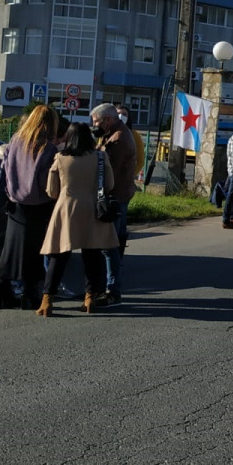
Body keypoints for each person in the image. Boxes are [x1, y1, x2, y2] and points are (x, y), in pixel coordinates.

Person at [36, 123, 120, 316]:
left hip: (67, 208)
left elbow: (52, 191)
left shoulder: (61, 158)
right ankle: (90, 297)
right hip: (93, 209)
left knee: (58, 255)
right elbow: (109, 184)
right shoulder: (100, 156)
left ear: (69, 138)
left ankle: (47, 300)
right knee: (92, 256)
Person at [0, 105, 59, 309]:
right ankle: (30, 293)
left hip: (15, 203)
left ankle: (3, 290)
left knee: (11, 249)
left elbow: (6, 168)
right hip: (40, 204)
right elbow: (45, 181)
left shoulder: (15, 141)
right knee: (35, 251)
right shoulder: (48, 148)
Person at [91, 102, 136, 306]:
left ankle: (112, 289)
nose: (95, 125)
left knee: (110, 246)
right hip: (117, 195)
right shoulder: (113, 133)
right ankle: (109, 286)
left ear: (107, 120)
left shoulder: (117, 139)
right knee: (111, 245)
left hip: (115, 197)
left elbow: (107, 168)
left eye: (97, 122)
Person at [115, 104, 146, 184]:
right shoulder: (106, 133)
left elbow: (141, 160)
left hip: (124, 178)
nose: (121, 116)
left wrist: (130, 174)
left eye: (124, 114)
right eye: (118, 114)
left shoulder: (135, 136)